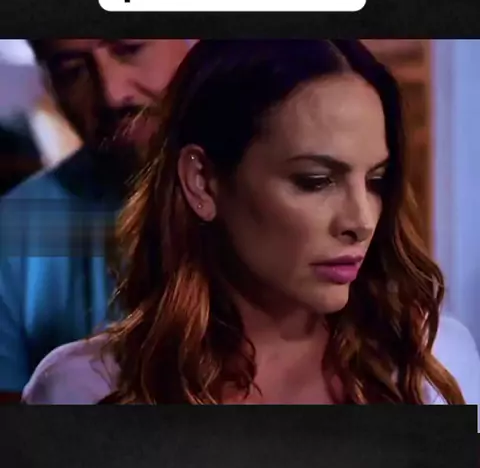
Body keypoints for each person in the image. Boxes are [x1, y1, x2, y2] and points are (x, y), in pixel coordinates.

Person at [22, 39, 480, 407]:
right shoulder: (81, 389)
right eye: (315, 180)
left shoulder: (431, 364)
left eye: (375, 181)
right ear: (203, 182)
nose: (360, 221)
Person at [0, 39, 192, 397]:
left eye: (130, 48)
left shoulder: (272, 190)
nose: (112, 94)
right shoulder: (13, 230)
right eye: (72, 71)